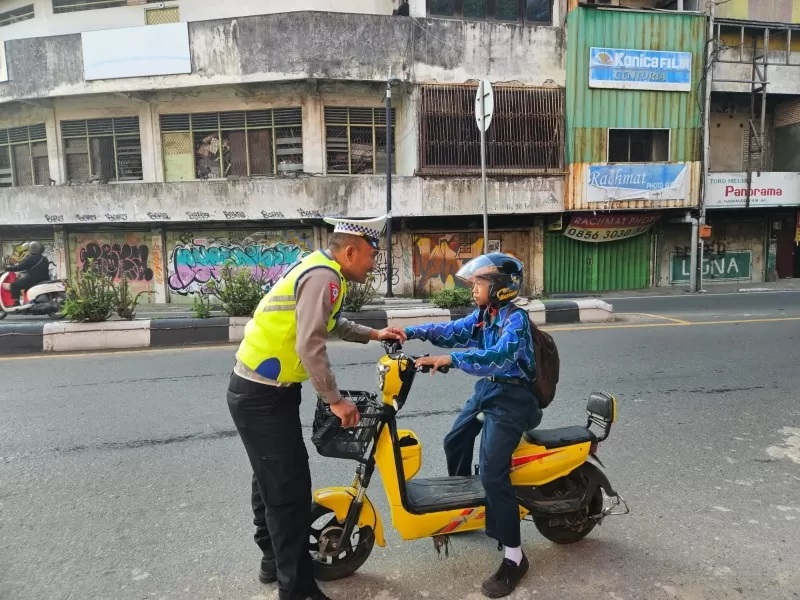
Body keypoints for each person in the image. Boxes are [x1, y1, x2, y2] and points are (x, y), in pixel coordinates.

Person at [226, 214, 406, 600]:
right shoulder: (324, 276)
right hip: (262, 396)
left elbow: (332, 322)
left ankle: (273, 562)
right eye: (372, 255)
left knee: (271, 481)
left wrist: (374, 333)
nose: (374, 264)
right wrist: (336, 401)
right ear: (352, 250)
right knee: (289, 492)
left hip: (263, 391)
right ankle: (297, 590)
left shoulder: (323, 270)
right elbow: (311, 343)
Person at [403, 252, 540, 599]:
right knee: (455, 439)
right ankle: (469, 506)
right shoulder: (483, 316)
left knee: (493, 471)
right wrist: (408, 332)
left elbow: (499, 356)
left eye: (479, 284)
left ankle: (514, 556)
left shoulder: (516, 321)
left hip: (514, 399)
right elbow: (450, 332)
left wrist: (453, 359)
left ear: (500, 288)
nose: (473, 290)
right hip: (490, 389)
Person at [2, 241, 50, 306]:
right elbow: (37, 268)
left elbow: (20, 267)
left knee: (14, 285)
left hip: (33, 279)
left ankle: (16, 303)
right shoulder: (44, 259)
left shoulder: (31, 258)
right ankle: (29, 302)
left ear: (31, 248)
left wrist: (7, 268)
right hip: (45, 278)